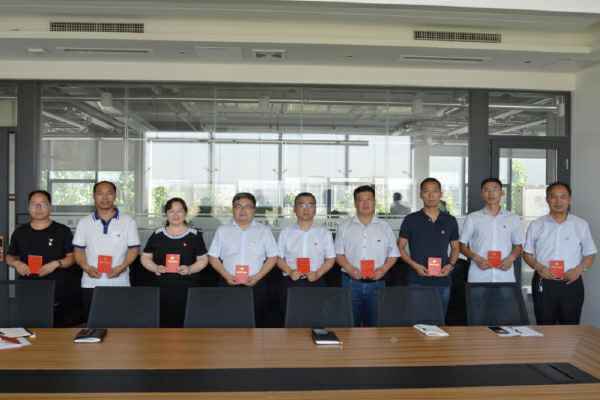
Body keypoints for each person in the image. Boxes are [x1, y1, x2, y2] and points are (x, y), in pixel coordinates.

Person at [523, 182, 596, 325]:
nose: (558, 201)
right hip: (544, 281)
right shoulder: (536, 225)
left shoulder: (580, 224)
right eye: (553, 197)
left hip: (571, 282)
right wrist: (539, 268)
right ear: (547, 199)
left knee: (571, 327)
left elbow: (590, 254)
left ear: (569, 200)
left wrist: (578, 270)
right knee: (544, 326)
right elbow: (527, 254)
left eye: (563, 197)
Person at [6, 190, 77, 326]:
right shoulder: (20, 232)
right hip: (28, 291)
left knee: (58, 334)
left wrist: (56, 264)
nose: (38, 208)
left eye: (43, 204)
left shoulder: (63, 231)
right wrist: (16, 263)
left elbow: (72, 257)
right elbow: (10, 256)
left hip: (57, 292)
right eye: (34, 204)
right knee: (30, 332)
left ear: (50, 207)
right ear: (28, 207)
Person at [72, 181, 141, 321]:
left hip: (119, 283)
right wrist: (86, 267)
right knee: (92, 324)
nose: (105, 197)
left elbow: (134, 249)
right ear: (94, 196)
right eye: (100, 193)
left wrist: (122, 267)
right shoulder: (84, 222)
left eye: (109, 193)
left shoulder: (128, 221)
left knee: (119, 324)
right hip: (91, 283)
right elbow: (78, 250)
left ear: (115, 195)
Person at [208, 192, 278, 327]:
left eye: (247, 206)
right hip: (228, 283)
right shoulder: (222, 230)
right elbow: (213, 257)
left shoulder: (264, 231)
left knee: (257, 322)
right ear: (233, 209)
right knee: (227, 322)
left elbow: (273, 257)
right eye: (238, 206)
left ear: (254, 210)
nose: (242, 210)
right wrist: (227, 276)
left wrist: (257, 277)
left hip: (256, 283)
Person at [335, 185, 399, 327]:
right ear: (355, 203)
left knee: (376, 327)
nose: (365, 203)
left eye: (369, 199)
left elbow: (394, 254)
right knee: (349, 326)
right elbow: (339, 254)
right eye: (361, 200)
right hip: (350, 283)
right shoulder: (344, 226)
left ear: (374, 202)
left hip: (378, 283)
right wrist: (351, 270)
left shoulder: (385, 227)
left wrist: (382, 270)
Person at [140, 198, 209, 327]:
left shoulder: (195, 235)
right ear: (166, 214)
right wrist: (155, 268)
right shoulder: (157, 234)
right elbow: (145, 257)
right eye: (171, 211)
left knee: (187, 325)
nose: (176, 215)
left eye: (179, 211)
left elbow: (203, 259)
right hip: (161, 289)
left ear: (185, 213)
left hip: (188, 289)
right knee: (162, 325)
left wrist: (190, 269)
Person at [398, 177, 460, 316]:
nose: (431, 195)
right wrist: (415, 266)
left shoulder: (450, 220)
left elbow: (456, 248)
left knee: (440, 319)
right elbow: (400, 248)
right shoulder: (411, 219)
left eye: (435, 191)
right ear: (421, 194)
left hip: (442, 280)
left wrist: (450, 265)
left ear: (440, 194)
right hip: (417, 280)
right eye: (426, 191)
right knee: (417, 321)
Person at [277, 192, 335, 318]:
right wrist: (290, 271)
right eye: (302, 205)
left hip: (316, 280)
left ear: (315, 209)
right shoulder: (286, 232)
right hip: (291, 281)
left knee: (317, 318)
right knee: (290, 318)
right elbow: (278, 258)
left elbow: (330, 258)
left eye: (310, 205)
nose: (306, 209)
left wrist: (317, 274)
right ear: (294, 209)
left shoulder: (324, 233)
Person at [460, 178, 524, 283]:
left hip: (504, 276)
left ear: (502, 193)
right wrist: (476, 258)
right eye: (486, 190)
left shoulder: (513, 218)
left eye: (495, 189)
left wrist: (511, 259)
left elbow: (518, 246)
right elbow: (462, 245)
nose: (491, 193)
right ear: (482, 194)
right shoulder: (472, 218)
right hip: (478, 275)